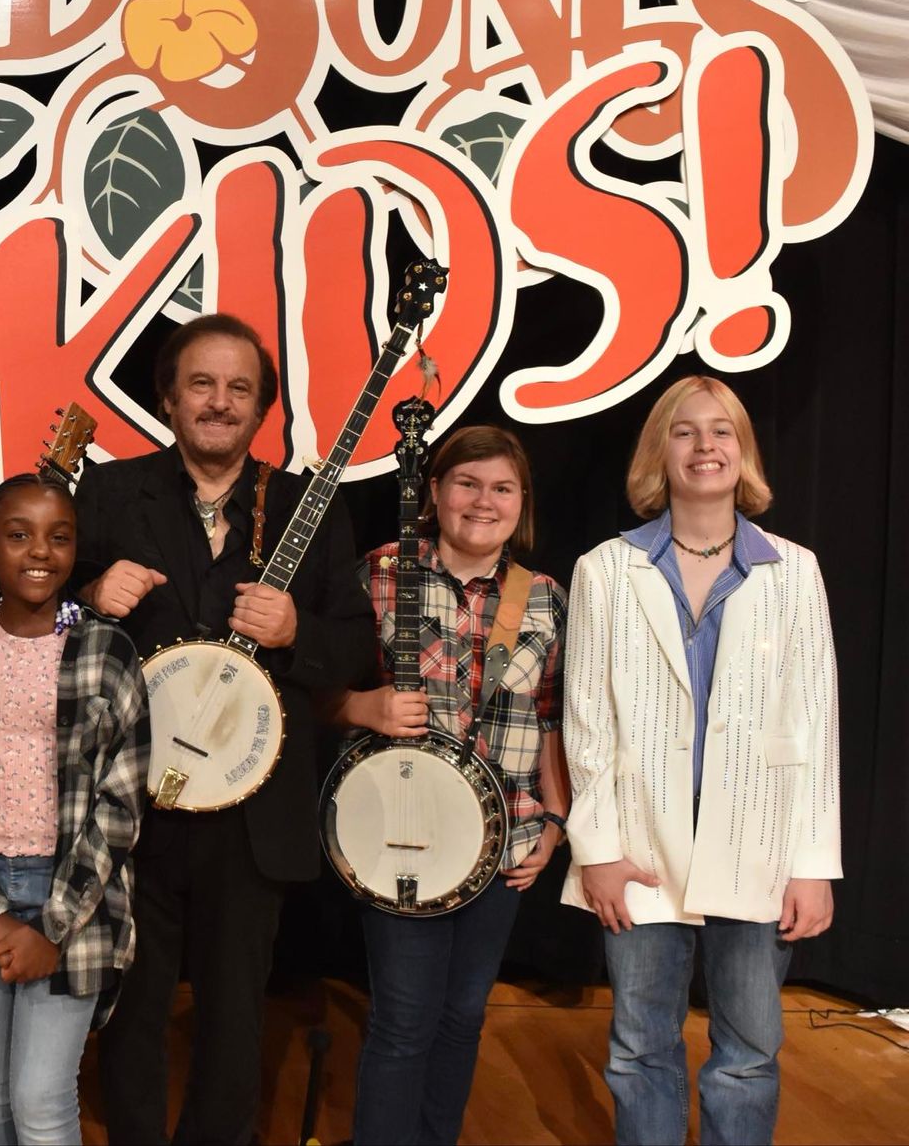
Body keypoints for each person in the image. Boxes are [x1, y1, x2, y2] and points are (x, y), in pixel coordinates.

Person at [77, 314, 372, 1144]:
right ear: (168, 398)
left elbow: (356, 645)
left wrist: (296, 631)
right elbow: (28, 614)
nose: (220, 401)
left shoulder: (309, 506)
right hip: (132, 802)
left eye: (240, 388)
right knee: (130, 1010)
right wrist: (89, 596)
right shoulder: (109, 493)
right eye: (201, 384)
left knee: (236, 1020)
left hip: (252, 812)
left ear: (263, 408)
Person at [561, 376, 841, 1146]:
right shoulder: (605, 569)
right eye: (685, 431)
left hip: (759, 845)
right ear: (660, 451)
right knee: (640, 1047)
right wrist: (597, 850)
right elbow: (585, 722)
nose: (705, 445)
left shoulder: (794, 570)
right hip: (639, 847)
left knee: (748, 1055)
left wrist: (812, 862)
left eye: (723, 431)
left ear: (743, 451)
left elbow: (816, 723)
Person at [332, 425, 568, 1145]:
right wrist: (360, 707)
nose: (482, 501)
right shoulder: (378, 574)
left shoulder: (544, 598)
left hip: (505, 839)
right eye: (466, 483)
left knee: (464, 1015)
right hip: (399, 833)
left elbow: (553, 717)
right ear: (433, 492)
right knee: (405, 1018)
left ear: (522, 502)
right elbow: (310, 690)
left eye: (502, 488)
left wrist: (555, 822)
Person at [0, 474, 150, 1145]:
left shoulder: (107, 649)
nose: (40, 551)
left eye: (59, 538)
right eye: (19, 535)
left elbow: (121, 803)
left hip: (74, 900)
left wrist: (52, 928)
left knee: (40, 1097)